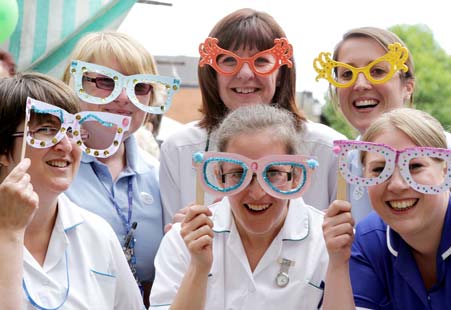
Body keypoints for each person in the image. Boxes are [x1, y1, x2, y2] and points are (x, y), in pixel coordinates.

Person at [160, 8, 346, 226]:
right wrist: (179, 237)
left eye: (260, 61)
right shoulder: (179, 148)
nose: (245, 74)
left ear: (280, 75)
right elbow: (173, 248)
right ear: (213, 74)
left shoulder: (327, 149)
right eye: (229, 61)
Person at [150, 104, 328, 309]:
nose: (257, 193)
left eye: (272, 173)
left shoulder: (326, 242)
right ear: (219, 176)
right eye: (238, 174)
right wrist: (198, 268)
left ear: (295, 176)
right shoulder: (182, 242)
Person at [0, 72, 143, 309]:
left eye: (71, 131)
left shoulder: (97, 233)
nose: (66, 145)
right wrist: (10, 233)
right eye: (46, 130)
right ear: (3, 150)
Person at [62, 31, 180, 305]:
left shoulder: (160, 175)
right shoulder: (47, 167)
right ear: (73, 82)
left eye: (140, 87)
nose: (125, 97)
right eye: (106, 81)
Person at [313, 26, 451, 222]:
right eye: (347, 74)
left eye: (377, 71)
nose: (360, 84)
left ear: (407, 87)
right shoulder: (338, 165)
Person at [322, 108, 451, 309]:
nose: (397, 184)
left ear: (446, 169)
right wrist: (337, 264)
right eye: (380, 169)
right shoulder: (368, 240)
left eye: (415, 166)